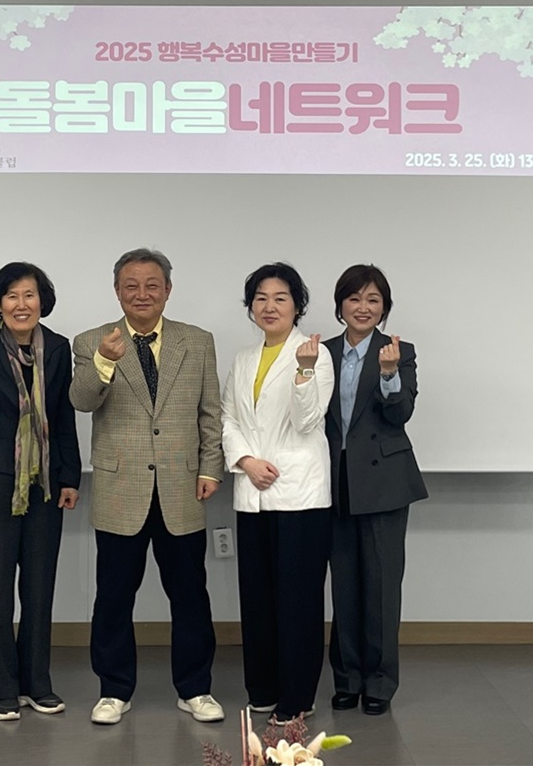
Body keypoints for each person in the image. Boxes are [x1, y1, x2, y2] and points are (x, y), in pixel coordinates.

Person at [69, 248, 226, 725]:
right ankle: (114, 689)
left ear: (168, 290)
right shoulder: (92, 340)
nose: (142, 294)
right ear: (117, 291)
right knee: (114, 595)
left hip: (182, 486)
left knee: (190, 594)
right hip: (121, 488)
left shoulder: (196, 341)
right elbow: (81, 400)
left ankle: (195, 688)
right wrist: (103, 362)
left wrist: (210, 468)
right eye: (131, 286)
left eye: (152, 285)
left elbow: (210, 412)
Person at [0, 262, 81, 721]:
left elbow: (63, 416)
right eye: (12, 296)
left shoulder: (58, 348)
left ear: (42, 301)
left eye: (29, 295)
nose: (21, 304)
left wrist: (69, 477)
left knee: (39, 586)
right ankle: (2, 687)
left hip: (45, 481)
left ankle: (37, 683)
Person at [220, 262, 335, 723]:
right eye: (261, 298)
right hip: (253, 492)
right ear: (250, 306)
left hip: (299, 495)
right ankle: (263, 689)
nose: (269, 307)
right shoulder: (244, 358)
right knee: (258, 598)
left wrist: (303, 372)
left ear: (297, 306)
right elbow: (229, 418)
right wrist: (246, 461)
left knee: (298, 602)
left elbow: (307, 421)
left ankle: (298, 698)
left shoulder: (315, 355)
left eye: (280, 298)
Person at [324, 264, 428, 716]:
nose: (363, 307)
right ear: (340, 305)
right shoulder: (320, 352)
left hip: (385, 482)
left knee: (382, 586)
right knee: (344, 584)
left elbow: (400, 414)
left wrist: (389, 374)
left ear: (384, 307)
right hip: (334, 481)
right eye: (354, 298)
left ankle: (380, 684)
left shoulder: (399, 352)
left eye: (373, 300)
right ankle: (347, 679)